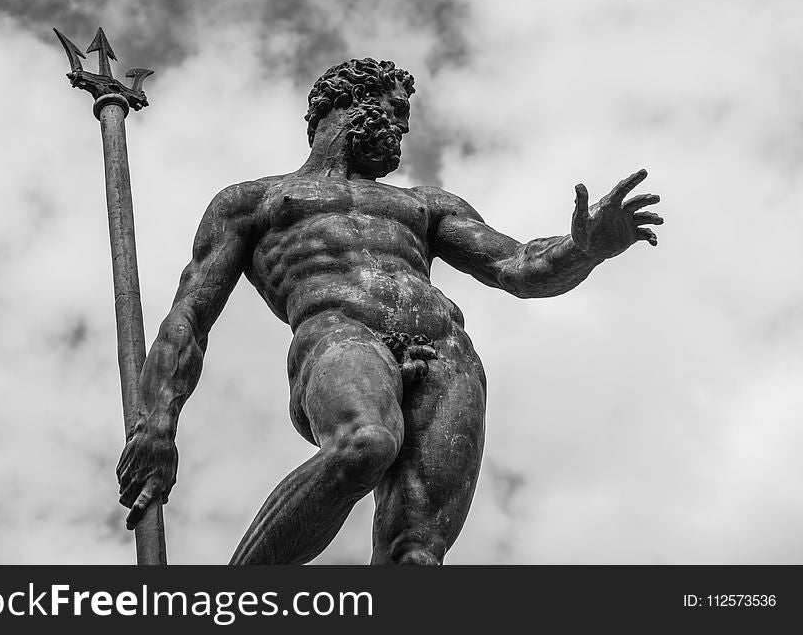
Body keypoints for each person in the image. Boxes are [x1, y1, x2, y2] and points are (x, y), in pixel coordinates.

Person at [116, 58, 663, 564]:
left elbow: (517, 266)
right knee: (365, 442)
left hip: (447, 354)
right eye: (395, 110)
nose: (402, 129)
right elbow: (188, 317)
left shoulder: (424, 205)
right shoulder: (252, 201)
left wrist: (583, 249)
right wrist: (157, 424)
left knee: (417, 555)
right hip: (340, 334)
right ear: (344, 101)